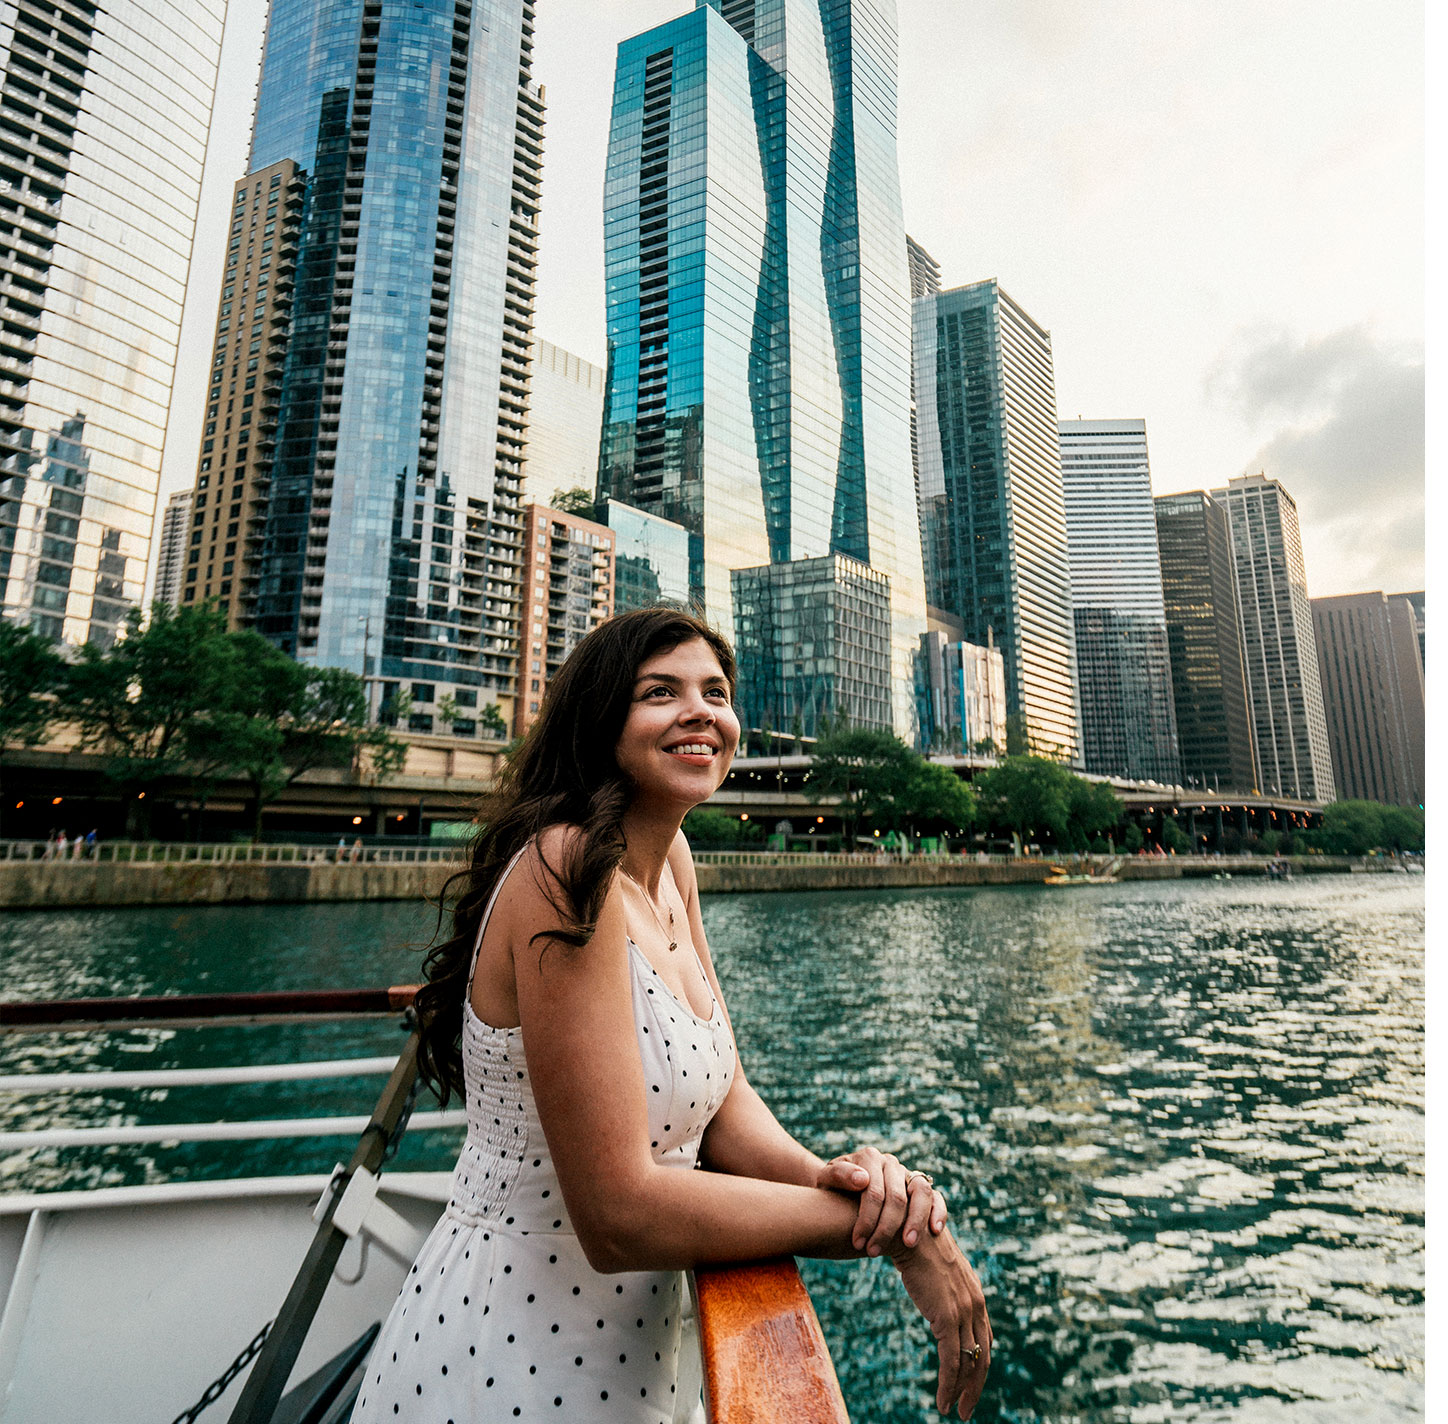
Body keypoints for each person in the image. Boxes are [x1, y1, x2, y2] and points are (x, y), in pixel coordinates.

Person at [360, 607, 992, 1420]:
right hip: (512, 1355)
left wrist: (845, 1183)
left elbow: (722, 1095)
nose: (701, 712)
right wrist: (883, 1232)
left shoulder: (671, 862)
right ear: (601, 721)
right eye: (661, 691)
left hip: (637, 1344)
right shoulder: (567, 867)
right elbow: (617, 1212)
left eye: (716, 692)